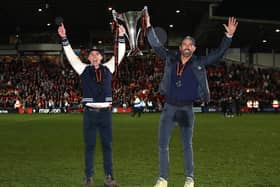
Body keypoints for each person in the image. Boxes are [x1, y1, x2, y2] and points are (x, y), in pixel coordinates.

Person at [145, 11, 238, 187]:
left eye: (190, 44)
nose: (187, 46)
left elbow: (218, 54)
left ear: (194, 48)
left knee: (187, 145)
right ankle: (163, 179)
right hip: (169, 108)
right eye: (184, 44)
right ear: (180, 47)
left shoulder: (199, 62)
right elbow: (156, 46)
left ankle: (189, 178)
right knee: (162, 145)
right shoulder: (171, 59)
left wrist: (229, 35)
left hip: (187, 109)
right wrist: (149, 27)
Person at [57, 23, 126, 187]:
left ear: (102, 57)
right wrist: (64, 38)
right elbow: (71, 57)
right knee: (89, 147)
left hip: (105, 114)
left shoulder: (109, 67)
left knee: (107, 146)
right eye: (92, 54)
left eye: (97, 54)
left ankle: (109, 177)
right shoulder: (83, 69)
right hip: (89, 113)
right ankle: (88, 178)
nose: (94, 57)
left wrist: (122, 37)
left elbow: (120, 54)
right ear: (88, 58)